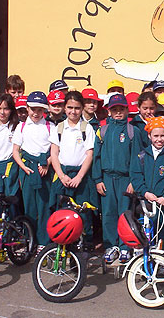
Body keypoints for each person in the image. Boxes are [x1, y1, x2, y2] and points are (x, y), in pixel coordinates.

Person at [93, 93, 145, 263]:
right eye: (114, 109)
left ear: (127, 110)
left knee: (125, 213)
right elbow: (97, 157)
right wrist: (98, 179)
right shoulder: (103, 130)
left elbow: (138, 158)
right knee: (108, 213)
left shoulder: (132, 131)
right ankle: (111, 245)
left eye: (121, 109)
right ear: (108, 111)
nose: (117, 112)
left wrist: (133, 181)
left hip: (125, 180)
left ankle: (124, 246)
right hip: (107, 178)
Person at [49, 91, 97, 249]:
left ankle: (83, 246)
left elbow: (89, 154)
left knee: (83, 212)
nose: (73, 111)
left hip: (80, 178)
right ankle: (62, 244)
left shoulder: (86, 128)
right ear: (64, 107)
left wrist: (79, 177)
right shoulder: (59, 128)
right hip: (63, 176)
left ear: (82, 108)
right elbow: (54, 153)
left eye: (77, 108)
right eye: (70, 107)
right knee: (62, 213)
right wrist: (61, 176)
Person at [130, 117, 164, 252]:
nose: (159, 139)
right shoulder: (142, 156)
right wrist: (145, 193)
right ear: (149, 136)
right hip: (147, 203)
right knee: (148, 233)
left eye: (162, 135)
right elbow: (136, 177)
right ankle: (147, 259)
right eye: (155, 136)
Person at [12, 91, 52, 249]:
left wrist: (47, 163)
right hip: (27, 169)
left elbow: (56, 150)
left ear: (44, 110)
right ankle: (30, 240)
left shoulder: (50, 126)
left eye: (40, 109)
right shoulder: (21, 127)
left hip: (44, 169)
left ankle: (44, 242)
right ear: (27, 109)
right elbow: (15, 151)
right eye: (33, 109)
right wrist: (23, 167)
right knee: (29, 207)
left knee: (44, 206)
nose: (36, 113)